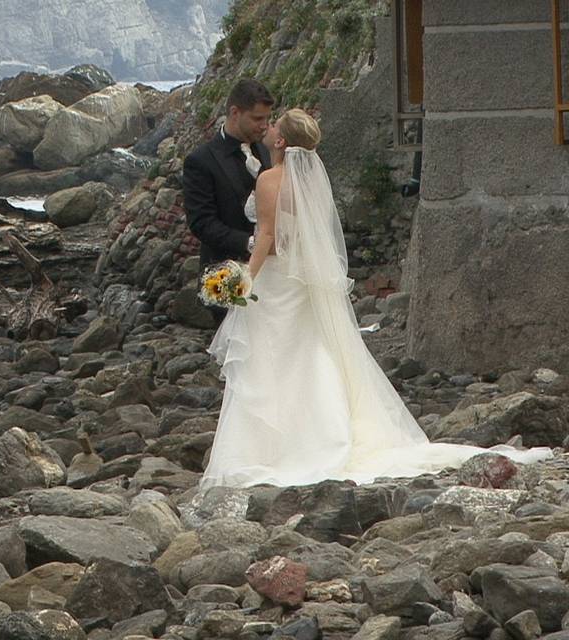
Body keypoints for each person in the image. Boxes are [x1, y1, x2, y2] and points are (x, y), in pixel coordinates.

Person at [199, 109, 552, 489]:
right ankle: (326, 429)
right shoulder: (311, 180)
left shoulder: (271, 178)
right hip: (303, 280)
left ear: (281, 142)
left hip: (279, 278)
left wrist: (244, 279)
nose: (268, 129)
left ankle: (274, 446)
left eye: (274, 126)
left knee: (274, 357)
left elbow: (267, 237)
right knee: (313, 351)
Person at [183, 78, 273, 324]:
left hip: (271, 274)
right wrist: (250, 243)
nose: (264, 126)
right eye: (257, 119)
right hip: (224, 275)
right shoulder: (200, 161)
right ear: (235, 113)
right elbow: (201, 223)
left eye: (267, 119)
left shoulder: (266, 151)